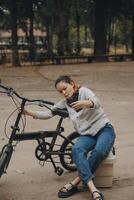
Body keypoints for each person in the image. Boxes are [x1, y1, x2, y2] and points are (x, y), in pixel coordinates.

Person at [23, 75, 116, 200]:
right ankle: (93, 189)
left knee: (99, 151)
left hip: (104, 129)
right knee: (76, 149)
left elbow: (97, 102)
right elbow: (48, 113)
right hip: (87, 135)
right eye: (60, 91)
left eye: (65, 88)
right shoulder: (65, 104)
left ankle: (75, 182)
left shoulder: (84, 91)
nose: (63, 92)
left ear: (72, 84)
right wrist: (28, 113)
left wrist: (86, 103)